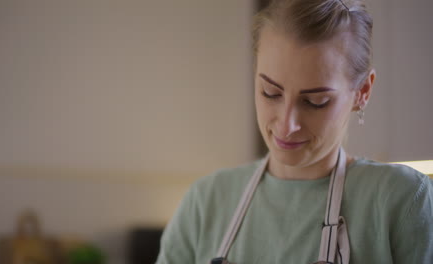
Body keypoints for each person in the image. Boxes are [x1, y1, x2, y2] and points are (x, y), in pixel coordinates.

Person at [155, 0, 433, 263]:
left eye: (315, 102)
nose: (287, 125)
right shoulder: (205, 203)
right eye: (270, 92)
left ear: (363, 91)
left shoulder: (404, 200)